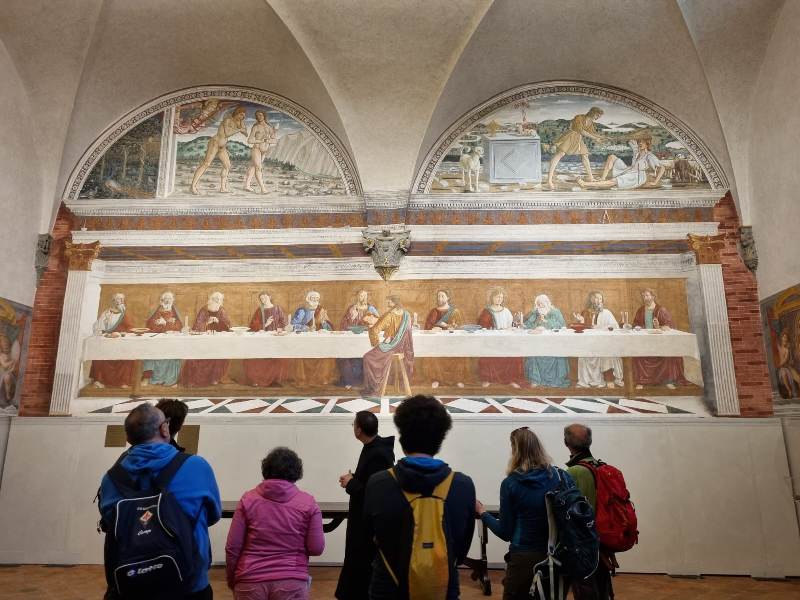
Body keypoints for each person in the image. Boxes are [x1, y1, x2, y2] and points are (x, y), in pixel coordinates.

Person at [98, 403, 221, 600]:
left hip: (131, 581)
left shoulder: (111, 478)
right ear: (165, 429)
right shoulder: (196, 466)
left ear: (129, 438)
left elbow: (109, 522)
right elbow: (213, 516)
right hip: (187, 582)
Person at [364, 395, 476, 600]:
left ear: (402, 438)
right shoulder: (463, 486)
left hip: (389, 589)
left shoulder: (378, 484)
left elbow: (369, 539)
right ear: (440, 439)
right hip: (443, 588)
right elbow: (461, 549)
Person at [476, 427, 570, 600]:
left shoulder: (511, 483)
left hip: (524, 557)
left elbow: (505, 532)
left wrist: (483, 513)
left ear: (515, 451)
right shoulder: (561, 476)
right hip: (558, 556)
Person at [226, 447, 324, 600]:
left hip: (249, 579)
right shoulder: (309, 503)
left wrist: (232, 579)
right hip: (292, 581)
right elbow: (316, 548)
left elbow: (232, 547)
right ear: (297, 472)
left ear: (266, 470)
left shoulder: (247, 500)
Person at [335, 411, 395, 600]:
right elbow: (370, 481)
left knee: (361, 565)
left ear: (359, 430)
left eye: (354, 424)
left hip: (366, 524)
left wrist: (350, 483)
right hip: (363, 520)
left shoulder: (378, 453)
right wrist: (353, 478)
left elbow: (375, 493)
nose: (353, 427)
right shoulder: (374, 447)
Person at [564, 424, 615, 600]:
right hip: (602, 542)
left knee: (587, 592)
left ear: (566, 443)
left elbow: (574, 516)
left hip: (585, 547)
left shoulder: (574, 472)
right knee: (601, 590)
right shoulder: (599, 466)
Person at [632, 288, 689, 390]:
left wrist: (659, 326)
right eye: (643, 296)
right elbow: (635, 324)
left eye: (647, 295)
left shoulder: (661, 310)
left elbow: (669, 326)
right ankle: (641, 381)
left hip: (660, 341)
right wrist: (638, 327)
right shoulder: (640, 310)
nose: (645, 298)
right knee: (637, 354)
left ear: (653, 296)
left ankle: (668, 380)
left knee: (668, 353)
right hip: (645, 341)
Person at [361, 295, 414, 397]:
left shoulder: (390, 315)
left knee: (367, 357)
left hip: (392, 347)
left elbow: (375, 330)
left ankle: (374, 386)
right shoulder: (407, 314)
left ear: (394, 303)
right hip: (403, 348)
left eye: (389, 301)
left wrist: (376, 342)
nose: (388, 303)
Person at [190, 106, 247, 195]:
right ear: (236, 113)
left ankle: (223, 188)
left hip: (222, 146)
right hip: (215, 143)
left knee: (227, 165)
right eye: (241, 115)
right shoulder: (227, 120)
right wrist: (239, 129)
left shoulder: (238, 122)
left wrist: (241, 124)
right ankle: (193, 186)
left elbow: (246, 133)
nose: (242, 117)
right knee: (206, 164)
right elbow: (227, 133)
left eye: (243, 116)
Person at [546, 107, 607, 190]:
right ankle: (549, 181)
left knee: (585, 155)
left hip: (578, 139)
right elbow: (581, 131)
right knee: (560, 154)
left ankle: (591, 178)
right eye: (597, 115)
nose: (598, 117)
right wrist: (595, 138)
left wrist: (603, 137)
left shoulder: (591, 123)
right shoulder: (579, 117)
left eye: (599, 116)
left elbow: (592, 133)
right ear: (592, 112)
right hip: (570, 136)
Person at [573, 291, 624, 389]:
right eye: (596, 298)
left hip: (604, 341)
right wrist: (582, 321)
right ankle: (586, 380)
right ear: (591, 300)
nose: (598, 301)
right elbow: (583, 328)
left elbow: (614, 327)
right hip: (589, 342)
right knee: (583, 355)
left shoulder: (607, 312)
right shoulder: (585, 312)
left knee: (607, 353)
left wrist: (601, 328)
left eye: (600, 299)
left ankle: (609, 379)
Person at [180, 292, 232, 387]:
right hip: (204, 339)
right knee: (198, 354)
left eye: (218, 300)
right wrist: (207, 322)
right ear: (211, 299)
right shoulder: (204, 310)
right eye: (215, 299)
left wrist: (218, 321)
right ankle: (195, 379)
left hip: (218, 340)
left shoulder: (222, 310)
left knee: (222, 352)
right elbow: (197, 326)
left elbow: (227, 326)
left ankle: (215, 378)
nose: (216, 301)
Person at [477, 287, 523, 389]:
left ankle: (510, 380)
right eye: (497, 297)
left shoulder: (506, 311)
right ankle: (488, 379)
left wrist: (509, 330)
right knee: (487, 354)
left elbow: (511, 325)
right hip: (491, 340)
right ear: (492, 298)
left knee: (514, 354)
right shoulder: (487, 311)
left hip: (505, 340)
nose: (499, 299)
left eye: (501, 297)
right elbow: (482, 326)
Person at [423, 289, 470, 389]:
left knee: (459, 354)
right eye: (438, 296)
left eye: (442, 296)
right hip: (437, 343)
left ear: (448, 298)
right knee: (434, 355)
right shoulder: (434, 311)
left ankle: (457, 379)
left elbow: (461, 327)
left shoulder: (455, 311)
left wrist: (453, 327)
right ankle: (436, 379)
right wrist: (434, 328)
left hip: (453, 342)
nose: (439, 298)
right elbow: (427, 327)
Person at [290, 290, 338, 386]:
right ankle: (303, 379)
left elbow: (329, 327)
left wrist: (324, 323)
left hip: (319, 340)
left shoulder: (321, 310)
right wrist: (306, 328)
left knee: (326, 353)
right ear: (308, 299)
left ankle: (321, 378)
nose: (315, 300)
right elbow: (293, 325)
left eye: (317, 298)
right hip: (305, 340)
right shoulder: (302, 311)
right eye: (313, 298)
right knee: (300, 354)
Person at [578, 137, 665, 190]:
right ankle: (603, 179)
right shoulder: (637, 153)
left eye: (643, 142)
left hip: (637, 177)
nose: (640, 143)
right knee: (612, 157)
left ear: (647, 143)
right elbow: (631, 143)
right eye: (639, 141)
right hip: (629, 170)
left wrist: (655, 182)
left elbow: (662, 168)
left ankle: (585, 184)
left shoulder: (649, 156)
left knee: (614, 181)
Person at [243, 291, 290, 387]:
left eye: (265, 297)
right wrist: (265, 324)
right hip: (262, 338)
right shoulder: (259, 310)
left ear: (270, 297)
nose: (263, 299)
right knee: (259, 357)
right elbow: (253, 326)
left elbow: (283, 322)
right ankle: (258, 379)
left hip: (275, 337)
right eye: (261, 298)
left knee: (277, 357)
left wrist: (279, 329)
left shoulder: (277, 308)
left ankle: (274, 380)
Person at [524, 294, 570, 388]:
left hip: (552, 342)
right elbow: (527, 326)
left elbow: (562, 326)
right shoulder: (535, 313)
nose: (540, 306)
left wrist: (546, 322)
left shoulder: (555, 312)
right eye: (538, 304)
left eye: (542, 303)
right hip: (537, 342)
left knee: (556, 354)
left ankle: (554, 379)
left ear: (547, 303)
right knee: (532, 353)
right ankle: (536, 379)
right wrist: (537, 322)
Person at [90, 293, 135, 389]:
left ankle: (123, 381)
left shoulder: (125, 313)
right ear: (113, 301)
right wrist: (106, 334)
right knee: (99, 353)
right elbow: (98, 327)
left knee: (128, 355)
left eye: (122, 299)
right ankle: (99, 381)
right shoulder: (107, 313)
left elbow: (130, 328)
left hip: (121, 341)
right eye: (118, 299)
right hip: (107, 340)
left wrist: (121, 334)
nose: (120, 301)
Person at [338, 289, 380, 390]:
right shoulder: (352, 308)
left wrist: (371, 322)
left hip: (366, 338)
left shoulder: (371, 308)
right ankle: (350, 380)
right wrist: (352, 317)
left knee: (366, 355)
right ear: (357, 297)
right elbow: (344, 324)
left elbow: (378, 322)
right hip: (352, 337)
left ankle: (366, 381)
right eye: (361, 295)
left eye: (365, 296)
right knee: (347, 356)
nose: (363, 298)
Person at [142, 291, 183, 387]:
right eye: (166, 299)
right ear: (162, 300)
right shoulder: (156, 312)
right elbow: (149, 327)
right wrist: (159, 324)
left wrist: (166, 323)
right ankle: (147, 378)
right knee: (149, 351)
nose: (167, 301)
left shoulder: (175, 313)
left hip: (171, 342)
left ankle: (171, 381)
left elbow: (179, 327)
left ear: (172, 300)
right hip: (156, 341)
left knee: (175, 353)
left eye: (170, 299)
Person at [243, 110, 277, 194]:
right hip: (257, 149)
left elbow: (274, 140)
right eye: (257, 115)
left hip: (264, 151)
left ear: (264, 116)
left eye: (260, 115)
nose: (259, 117)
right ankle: (263, 188)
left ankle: (246, 185)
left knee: (253, 167)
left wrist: (268, 140)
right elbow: (250, 140)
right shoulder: (256, 127)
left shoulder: (269, 127)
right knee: (258, 168)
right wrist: (261, 140)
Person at [778, 330, 800, 398]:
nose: (785, 339)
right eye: (784, 337)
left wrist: (788, 351)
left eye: (786, 338)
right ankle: (789, 390)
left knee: (798, 378)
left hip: (788, 367)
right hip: (783, 368)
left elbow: (786, 360)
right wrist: (779, 365)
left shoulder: (787, 350)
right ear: (781, 338)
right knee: (784, 373)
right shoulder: (779, 348)